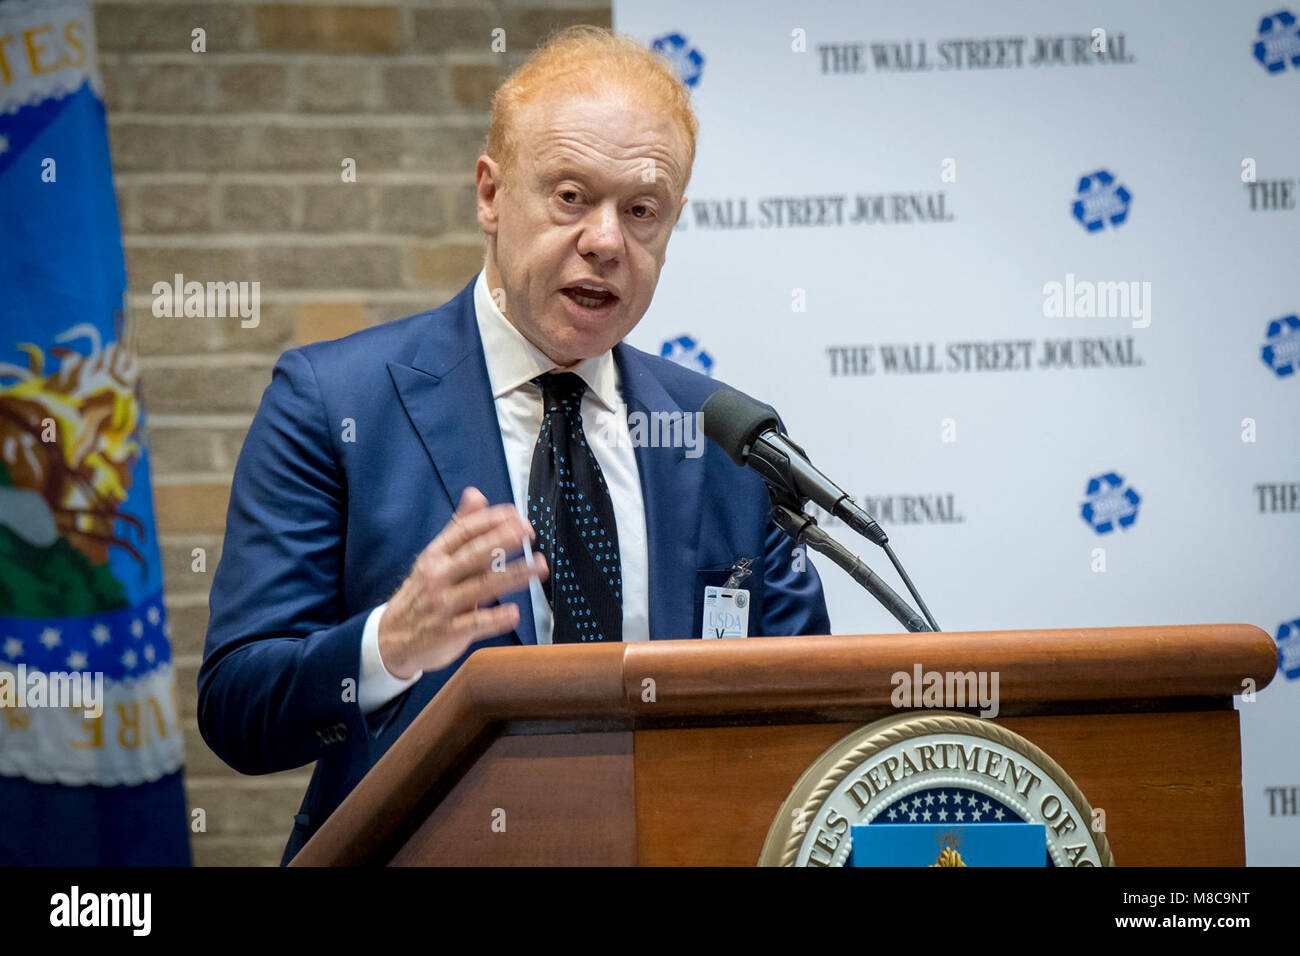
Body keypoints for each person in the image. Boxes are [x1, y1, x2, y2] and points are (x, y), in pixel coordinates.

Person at [198, 25, 830, 864]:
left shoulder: (725, 436)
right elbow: (239, 712)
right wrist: (390, 642)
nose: (607, 240)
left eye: (642, 211)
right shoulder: (332, 401)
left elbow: (809, 712)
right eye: (571, 196)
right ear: (491, 196)